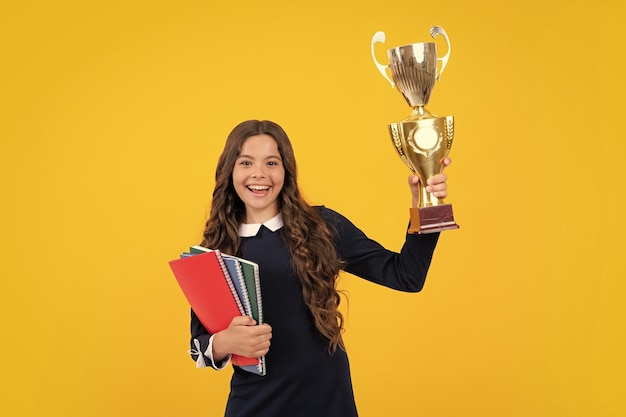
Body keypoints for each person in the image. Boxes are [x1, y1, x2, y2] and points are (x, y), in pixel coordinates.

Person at [189, 119, 451, 417]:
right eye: (246, 162)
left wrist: (428, 208)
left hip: (327, 402)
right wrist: (225, 342)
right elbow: (200, 345)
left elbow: (407, 275)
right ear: (230, 171)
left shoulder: (322, 226)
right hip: (255, 405)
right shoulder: (215, 250)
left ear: (286, 170)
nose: (259, 174)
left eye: (271, 162)